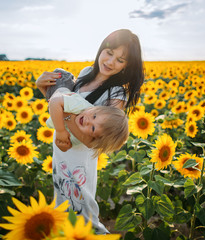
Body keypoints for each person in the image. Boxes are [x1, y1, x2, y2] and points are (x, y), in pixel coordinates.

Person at [36, 29, 144, 234]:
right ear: (101, 48)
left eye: (120, 60)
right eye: (109, 52)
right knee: (62, 205)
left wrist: (65, 118)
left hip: (80, 163)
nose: (111, 62)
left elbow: (96, 141)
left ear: (127, 66)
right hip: (62, 154)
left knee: (84, 213)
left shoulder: (117, 93)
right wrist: (45, 89)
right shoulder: (85, 73)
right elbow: (62, 104)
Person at [46, 87, 129, 156]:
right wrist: (60, 131)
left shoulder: (81, 137)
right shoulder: (81, 106)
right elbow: (54, 101)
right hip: (60, 86)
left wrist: (63, 145)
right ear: (96, 108)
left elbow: (68, 145)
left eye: (93, 128)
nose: (88, 121)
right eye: (94, 116)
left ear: (93, 137)